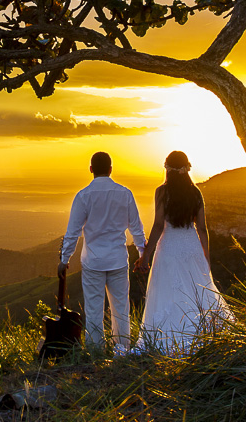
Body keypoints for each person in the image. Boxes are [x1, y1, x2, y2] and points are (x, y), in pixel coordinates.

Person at [134, 150, 232, 353]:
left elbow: (159, 225)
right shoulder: (195, 193)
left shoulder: (162, 192)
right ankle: (203, 334)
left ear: (167, 169)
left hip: (169, 247)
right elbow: (202, 228)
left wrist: (146, 256)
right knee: (198, 290)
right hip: (191, 246)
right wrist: (206, 257)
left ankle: (166, 339)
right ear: (186, 169)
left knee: (168, 290)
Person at [59, 151, 146, 352]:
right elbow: (136, 228)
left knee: (93, 310)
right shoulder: (125, 194)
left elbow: (72, 232)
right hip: (117, 260)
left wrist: (64, 259)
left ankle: (96, 352)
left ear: (91, 170)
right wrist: (142, 255)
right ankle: (122, 350)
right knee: (121, 310)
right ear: (110, 169)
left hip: (93, 262)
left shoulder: (83, 196)